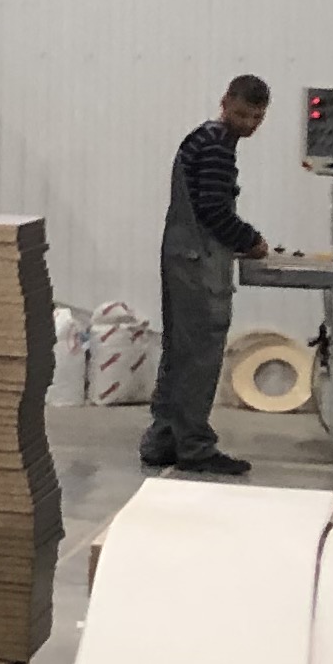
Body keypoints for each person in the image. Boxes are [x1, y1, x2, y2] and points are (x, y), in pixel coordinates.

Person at [143, 74, 271, 476]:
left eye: (256, 118)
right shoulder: (216, 146)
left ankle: (163, 438)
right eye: (241, 114)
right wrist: (252, 241)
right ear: (224, 102)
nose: (247, 124)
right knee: (199, 355)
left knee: (179, 352)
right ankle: (195, 447)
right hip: (198, 263)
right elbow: (214, 209)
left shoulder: (202, 139)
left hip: (182, 256)